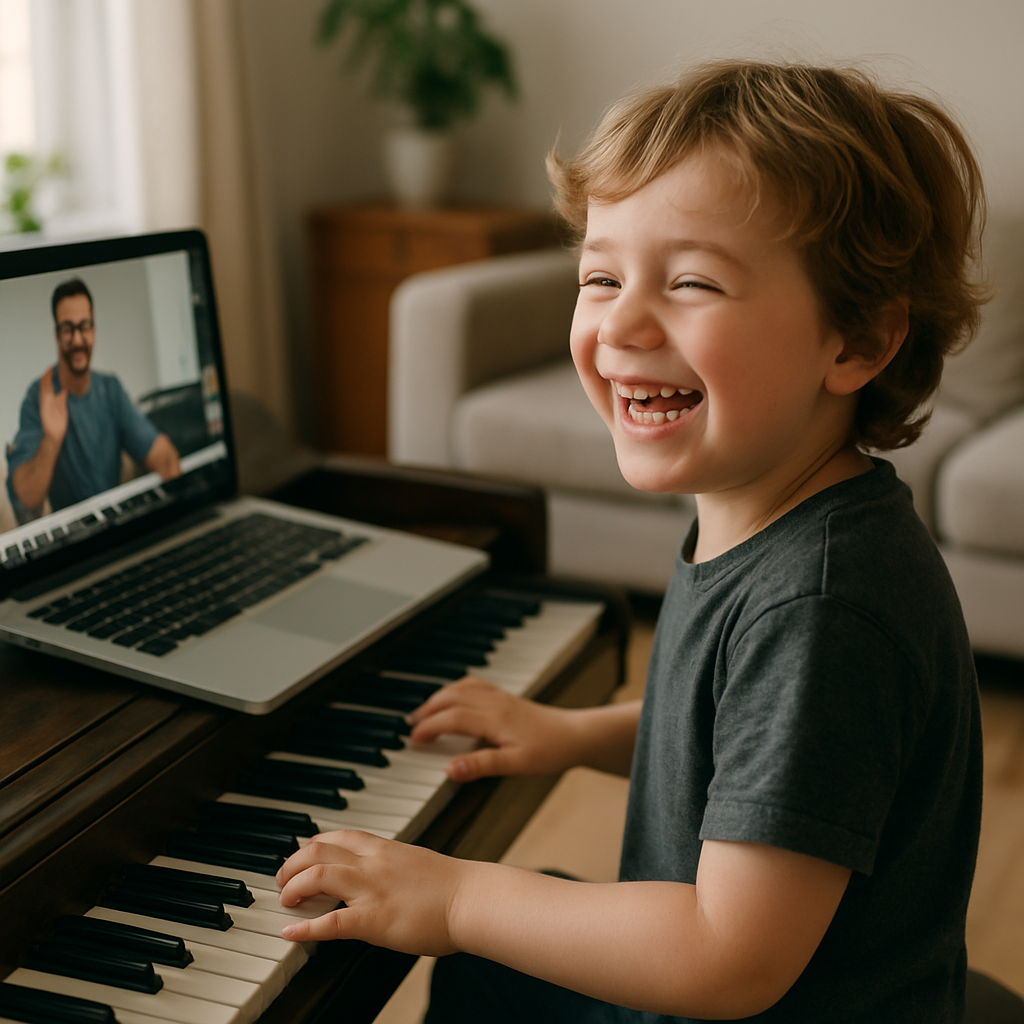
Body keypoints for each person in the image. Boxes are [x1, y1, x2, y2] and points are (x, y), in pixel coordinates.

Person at [274, 61, 987, 1022]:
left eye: (691, 280)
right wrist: (570, 734)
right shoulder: (768, 514)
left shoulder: (824, 603)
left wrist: (456, 896)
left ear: (856, 342)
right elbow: (746, 741)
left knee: (479, 961)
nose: (622, 320)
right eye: (601, 275)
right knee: (485, 980)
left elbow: (727, 956)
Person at [7, 278, 181, 515]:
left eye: (84, 326)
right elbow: (26, 498)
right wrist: (51, 439)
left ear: (94, 329)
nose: (78, 340)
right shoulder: (38, 397)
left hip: (116, 522)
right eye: (68, 329)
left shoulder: (111, 389)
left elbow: (163, 456)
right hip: (73, 537)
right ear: (57, 335)